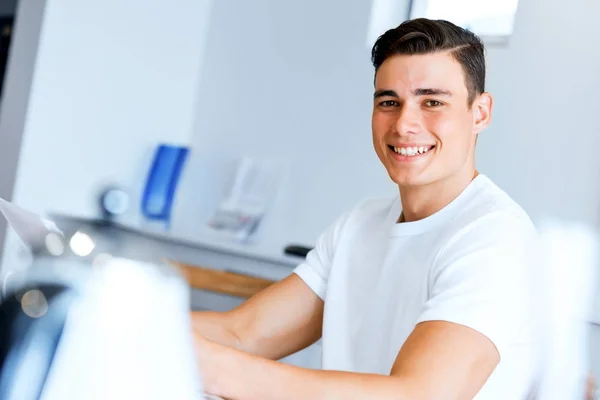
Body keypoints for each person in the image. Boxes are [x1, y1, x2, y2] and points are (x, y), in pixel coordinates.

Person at [191, 18, 545, 399]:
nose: (405, 124)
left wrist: (211, 368)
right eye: (389, 102)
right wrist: (133, 321)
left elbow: (419, 394)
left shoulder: (494, 236)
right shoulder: (360, 223)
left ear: (480, 113)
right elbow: (242, 334)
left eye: (432, 102)